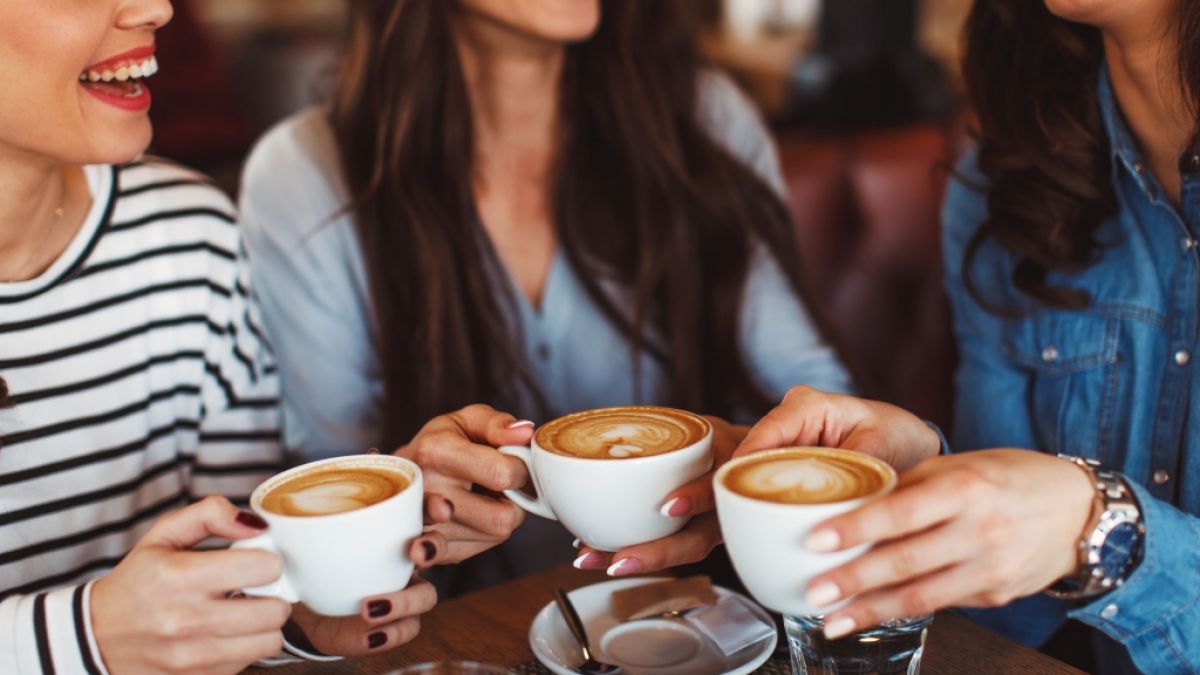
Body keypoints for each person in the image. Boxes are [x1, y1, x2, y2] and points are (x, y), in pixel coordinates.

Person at [240, 0, 852, 594]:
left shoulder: (702, 118)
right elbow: (328, 479)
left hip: (696, 615)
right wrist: (405, 485)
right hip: (451, 632)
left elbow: (818, 397)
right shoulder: (303, 175)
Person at [733, 1, 1200, 672]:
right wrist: (923, 468)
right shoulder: (1008, 181)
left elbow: (1069, 527)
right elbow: (1008, 609)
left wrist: (1102, 532)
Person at [0, 1, 442, 671]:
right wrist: (85, 637)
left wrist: (305, 607)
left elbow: (230, 573)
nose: (157, 7)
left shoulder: (189, 236)